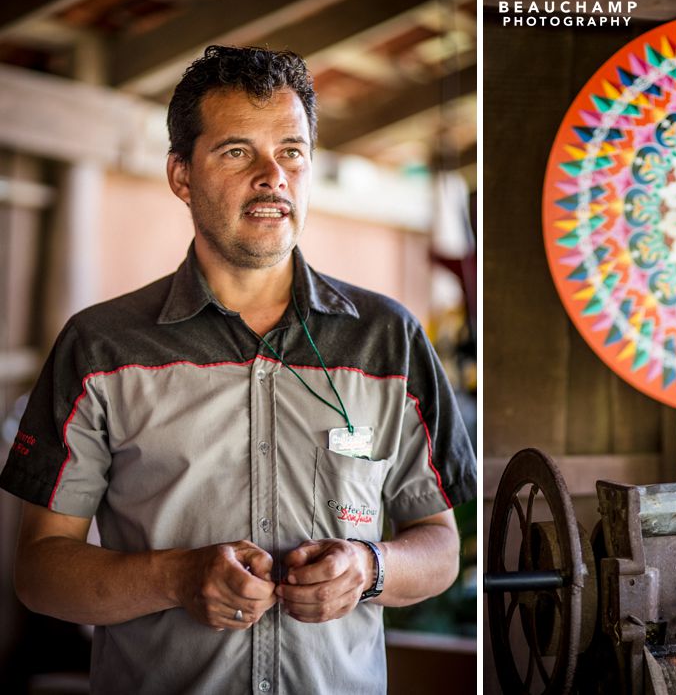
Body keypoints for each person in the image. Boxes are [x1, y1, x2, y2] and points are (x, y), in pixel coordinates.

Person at [0, 45, 477, 694]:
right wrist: (173, 578)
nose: (272, 175)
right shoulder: (100, 346)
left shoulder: (388, 339)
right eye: (236, 151)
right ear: (181, 175)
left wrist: (370, 566)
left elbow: (440, 547)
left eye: (291, 151)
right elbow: (39, 571)